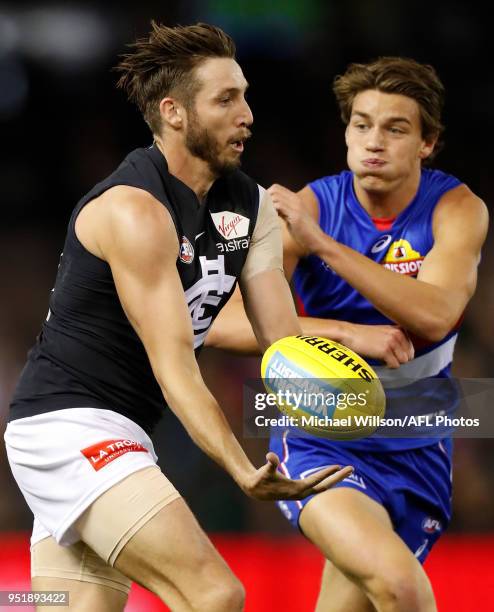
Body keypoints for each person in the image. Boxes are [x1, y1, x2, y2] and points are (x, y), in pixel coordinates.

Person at [3, 22, 352, 612]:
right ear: (174, 112)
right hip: (67, 429)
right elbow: (176, 369)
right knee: (215, 593)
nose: (246, 114)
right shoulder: (134, 211)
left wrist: (379, 404)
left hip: (122, 432)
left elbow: (283, 346)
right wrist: (243, 471)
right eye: (225, 99)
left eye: (244, 95)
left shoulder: (251, 205)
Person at [207, 57, 489, 611]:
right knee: (401, 587)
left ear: (427, 143)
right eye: (360, 125)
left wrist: (324, 246)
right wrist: (349, 334)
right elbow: (224, 321)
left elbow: (434, 315)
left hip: (420, 440)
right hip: (323, 437)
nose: (373, 142)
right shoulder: (308, 207)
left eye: (395, 128)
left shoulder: (456, 209)